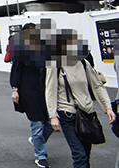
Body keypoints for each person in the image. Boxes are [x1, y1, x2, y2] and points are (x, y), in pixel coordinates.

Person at [45, 29, 116, 168]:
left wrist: (108, 107)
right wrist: (53, 115)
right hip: (67, 114)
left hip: (87, 113)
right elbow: (50, 90)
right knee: (80, 156)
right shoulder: (55, 64)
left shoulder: (83, 63)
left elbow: (97, 86)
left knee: (86, 154)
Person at [10, 23, 53, 168]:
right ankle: (40, 156)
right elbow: (15, 70)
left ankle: (37, 141)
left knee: (51, 122)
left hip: (45, 91)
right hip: (28, 90)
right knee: (37, 124)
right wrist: (14, 89)